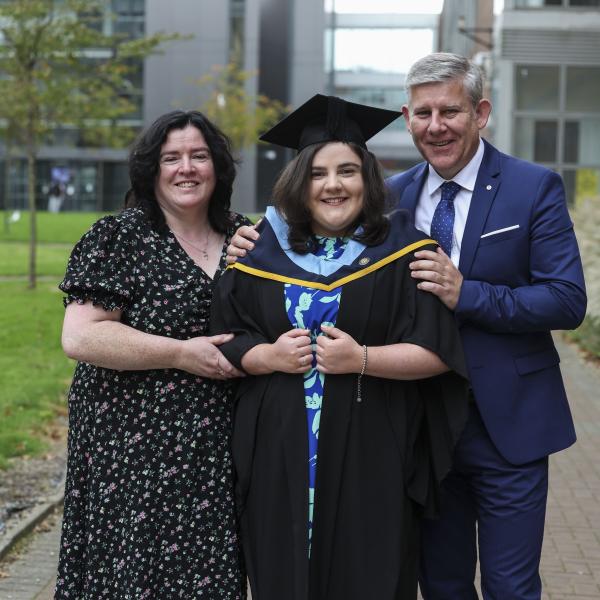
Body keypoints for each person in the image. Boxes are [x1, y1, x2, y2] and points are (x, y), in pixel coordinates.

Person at [227, 55, 587, 599]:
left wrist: (468, 293)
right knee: (440, 583)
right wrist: (250, 240)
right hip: (417, 426)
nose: (436, 125)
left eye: (450, 111)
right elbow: (316, 234)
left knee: (510, 586)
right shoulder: (389, 197)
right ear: (407, 117)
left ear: (481, 112)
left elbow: (566, 300)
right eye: (423, 113)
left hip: (505, 423)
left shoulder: (532, 187)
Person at [211, 94, 469, 600]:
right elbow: (227, 336)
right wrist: (265, 356)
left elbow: (438, 351)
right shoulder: (256, 252)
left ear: (367, 179)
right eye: (318, 173)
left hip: (372, 448)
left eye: (347, 171)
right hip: (277, 454)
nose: (333, 185)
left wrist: (362, 359)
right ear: (299, 183)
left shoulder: (406, 253)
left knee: (368, 570)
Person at [55, 110, 249, 599]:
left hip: (219, 454)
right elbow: (82, 337)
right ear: (152, 169)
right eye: (172, 157)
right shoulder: (118, 238)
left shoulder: (246, 238)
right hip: (133, 453)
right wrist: (181, 353)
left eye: (199, 156)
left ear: (218, 167)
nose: (187, 168)